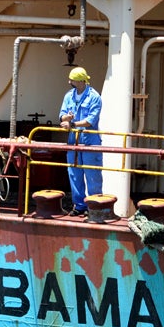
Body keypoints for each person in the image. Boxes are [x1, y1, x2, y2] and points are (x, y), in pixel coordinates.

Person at [58, 67, 103, 216]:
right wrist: (67, 119)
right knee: (74, 173)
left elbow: (91, 120)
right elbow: (61, 116)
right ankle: (80, 206)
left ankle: (94, 206)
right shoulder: (68, 96)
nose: (69, 82)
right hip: (73, 142)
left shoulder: (94, 97)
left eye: (72, 79)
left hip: (90, 141)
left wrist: (72, 124)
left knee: (92, 174)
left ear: (81, 80)